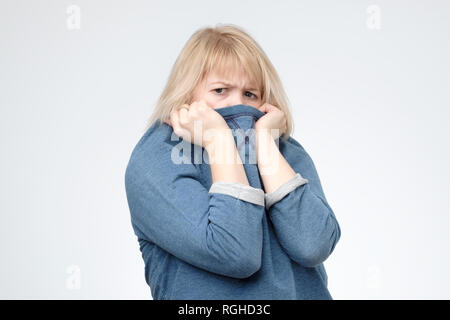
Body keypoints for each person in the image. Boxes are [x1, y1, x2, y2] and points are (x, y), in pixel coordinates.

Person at [124, 24, 341, 300]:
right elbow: (234, 252)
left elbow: (313, 244)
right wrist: (218, 140)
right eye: (220, 90)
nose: (236, 104)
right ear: (187, 92)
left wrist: (264, 142)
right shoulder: (158, 155)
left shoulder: (284, 150)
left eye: (250, 94)